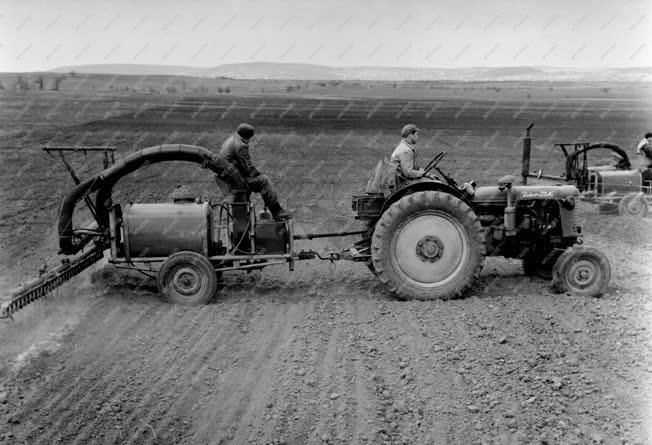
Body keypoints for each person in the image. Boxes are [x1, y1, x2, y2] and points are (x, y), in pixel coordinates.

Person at [215, 123, 289, 220]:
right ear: (248, 137)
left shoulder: (230, 140)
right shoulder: (241, 146)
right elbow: (249, 168)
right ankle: (277, 212)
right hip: (236, 182)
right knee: (264, 181)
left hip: (227, 179)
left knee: (261, 179)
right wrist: (260, 175)